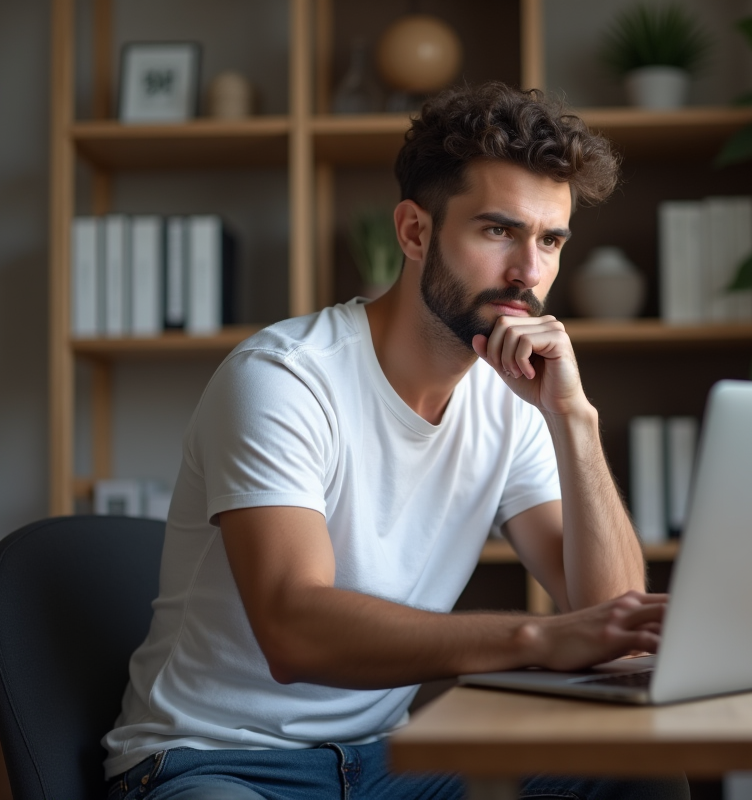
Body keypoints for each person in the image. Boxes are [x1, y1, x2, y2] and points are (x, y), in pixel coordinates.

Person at [102, 83, 687, 800]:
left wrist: (576, 421)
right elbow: (294, 632)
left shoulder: (514, 403)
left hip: (384, 763)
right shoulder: (284, 377)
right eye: (498, 231)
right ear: (414, 233)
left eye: (551, 240)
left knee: (637, 777)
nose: (529, 274)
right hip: (216, 763)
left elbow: (617, 624)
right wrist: (536, 639)